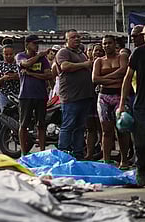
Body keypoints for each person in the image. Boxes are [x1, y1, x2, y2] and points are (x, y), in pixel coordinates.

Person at [118, 21, 145, 186]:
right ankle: (141, 170)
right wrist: (121, 105)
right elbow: (127, 79)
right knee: (140, 143)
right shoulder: (138, 53)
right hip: (142, 104)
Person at [92, 35, 130, 168]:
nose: (106, 46)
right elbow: (95, 79)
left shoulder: (122, 57)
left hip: (119, 96)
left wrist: (105, 78)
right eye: (104, 44)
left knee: (122, 130)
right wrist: (114, 79)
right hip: (104, 97)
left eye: (109, 43)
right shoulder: (99, 61)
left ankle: (124, 160)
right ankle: (106, 160)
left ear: (115, 44)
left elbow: (124, 71)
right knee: (106, 131)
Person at [56, 29, 94, 160]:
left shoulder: (81, 53)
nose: (77, 39)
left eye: (78, 37)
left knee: (80, 127)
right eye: (73, 37)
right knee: (68, 126)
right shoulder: (63, 52)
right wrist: (84, 65)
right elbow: (65, 66)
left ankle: (78, 154)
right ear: (66, 40)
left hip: (84, 97)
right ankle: (63, 154)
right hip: (71, 98)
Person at [15, 35, 52, 155]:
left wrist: (31, 74)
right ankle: (23, 152)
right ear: (27, 44)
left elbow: (48, 75)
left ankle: (42, 151)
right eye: (34, 43)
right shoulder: (20, 56)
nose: (37, 46)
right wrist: (39, 56)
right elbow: (25, 64)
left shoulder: (44, 60)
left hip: (41, 95)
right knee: (24, 124)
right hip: (25, 95)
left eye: (38, 43)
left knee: (41, 124)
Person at [0, 44, 20, 112]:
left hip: (19, 95)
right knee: (5, 115)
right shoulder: (0, 66)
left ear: (14, 54)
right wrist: (2, 79)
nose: (9, 56)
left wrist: (17, 77)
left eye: (11, 54)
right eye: (6, 54)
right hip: (4, 94)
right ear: (3, 54)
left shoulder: (20, 65)